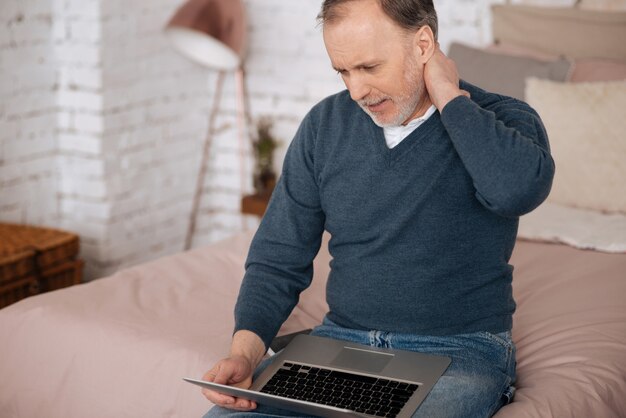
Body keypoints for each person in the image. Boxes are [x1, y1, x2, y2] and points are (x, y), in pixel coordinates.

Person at [201, 0, 554, 416]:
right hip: (338, 344)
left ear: (423, 45)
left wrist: (448, 97)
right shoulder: (324, 126)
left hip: (458, 352)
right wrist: (244, 354)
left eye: (368, 68)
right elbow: (278, 257)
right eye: (343, 71)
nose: (356, 91)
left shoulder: (502, 119)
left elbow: (517, 191)